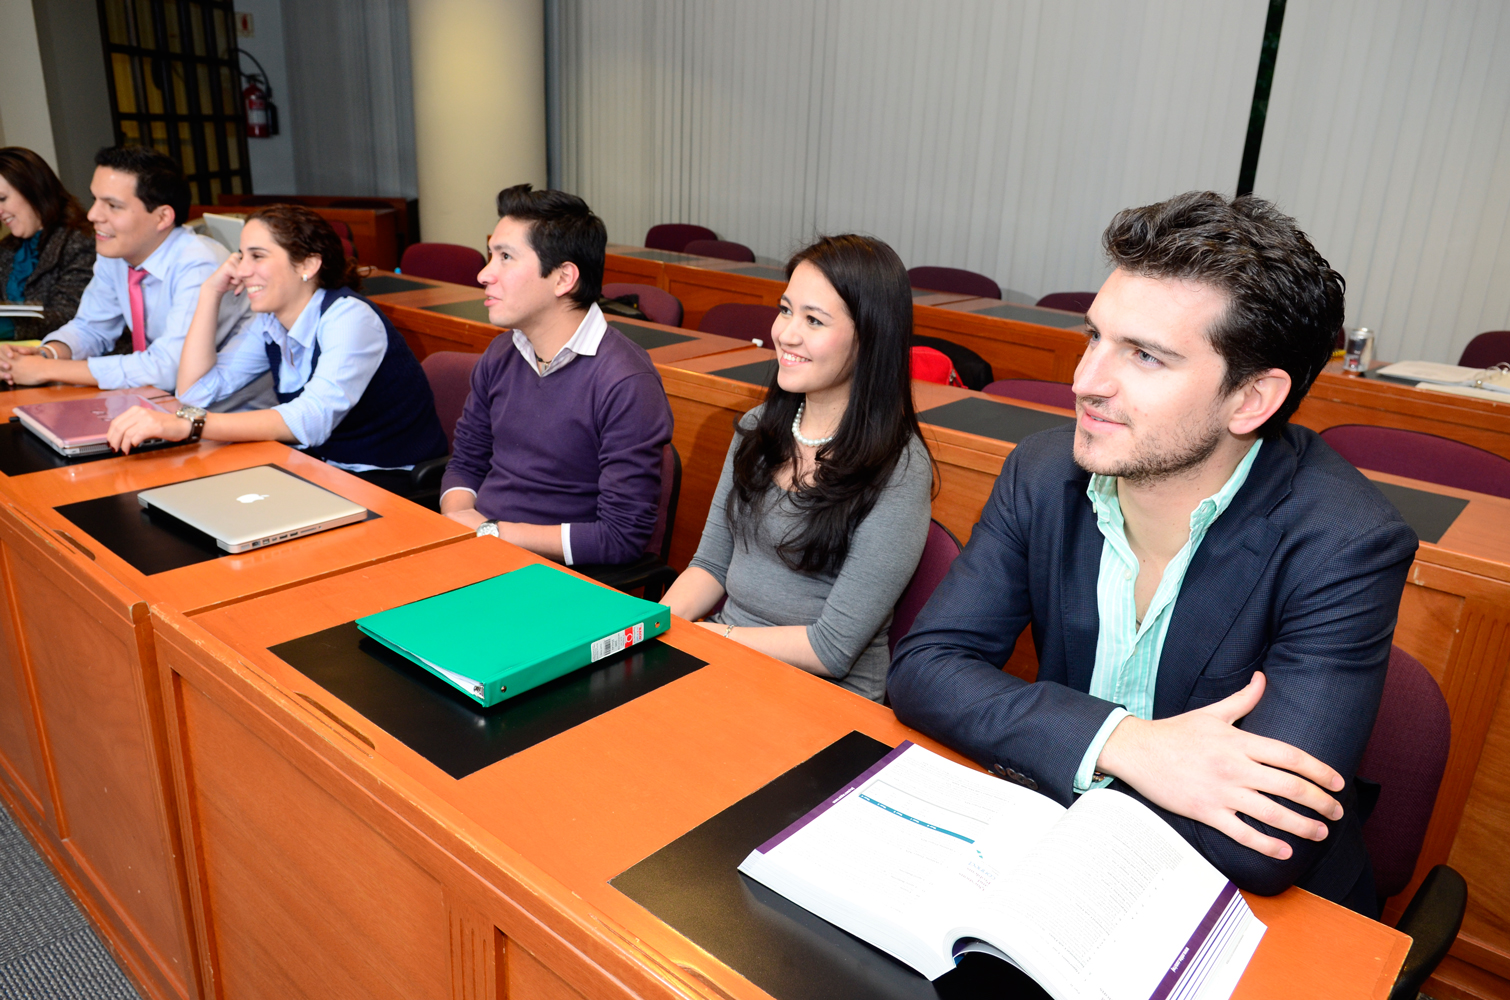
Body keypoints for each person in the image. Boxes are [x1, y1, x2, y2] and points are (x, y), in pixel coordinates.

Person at [888, 192, 1418, 914]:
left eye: (1144, 355)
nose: (1086, 382)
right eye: (1094, 337)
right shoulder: (1042, 473)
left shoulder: (1346, 543)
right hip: (1043, 863)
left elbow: (1260, 841)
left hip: (1251, 916)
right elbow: (923, 671)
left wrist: (1053, 747)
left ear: (1251, 400)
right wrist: (1122, 743)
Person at [663, 235, 933, 702]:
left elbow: (831, 649)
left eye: (814, 320)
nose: (786, 333)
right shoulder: (758, 427)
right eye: (786, 310)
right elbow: (710, 566)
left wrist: (710, 640)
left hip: (820, 697)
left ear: (869, 336)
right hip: (728, 659)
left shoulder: (900, 468)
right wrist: (654, 630)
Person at [106, 205, 448, 492]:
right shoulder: (269, 323)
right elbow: (194, 393)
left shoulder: (350, 318)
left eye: (257, 256)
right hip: (325, 471)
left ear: (307, 265)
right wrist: (209, 293)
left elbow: (308, 421)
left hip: (388, 480)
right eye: (241, 256)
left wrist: (190, 425)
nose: (241, 269)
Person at [440, 184, 672, 565]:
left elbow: (620, 537)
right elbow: (466, 462)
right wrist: (459, 517)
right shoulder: (501, 353)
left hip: (560, 576)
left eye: (505, 258)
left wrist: (493, 532)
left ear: (564, 278)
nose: (484, 274)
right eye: (490, 255)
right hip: (482, 549)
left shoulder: (625, 380)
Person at [0, 145, 267, 409]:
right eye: (95, 199)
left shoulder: (200, 263)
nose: (93, 215)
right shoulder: (116, 251)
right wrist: (48, 353)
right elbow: (90, 327)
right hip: (163, 404)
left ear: (162, 217)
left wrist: (49, 369)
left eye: (113, 206)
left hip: (228, 411)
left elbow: (167, 368)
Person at [0, 147, 95, 341]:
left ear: (33, 188)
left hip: (66, 361)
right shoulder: (6, 249)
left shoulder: (82, 241)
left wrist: (7, 327)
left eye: (2, 199)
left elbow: (68, 316)